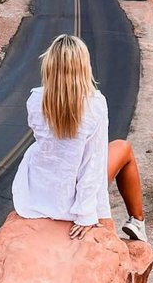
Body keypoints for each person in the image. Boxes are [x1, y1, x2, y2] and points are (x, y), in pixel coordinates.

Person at [12, 34, 146, 242]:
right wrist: (85, 215)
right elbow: (92, 161)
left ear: (50, 65)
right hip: (71, 194)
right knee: (123, 147)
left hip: (41, 190)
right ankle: (137, 222)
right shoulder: (95, 104)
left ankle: (137, 222)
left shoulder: (36, 99)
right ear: (84, 66)